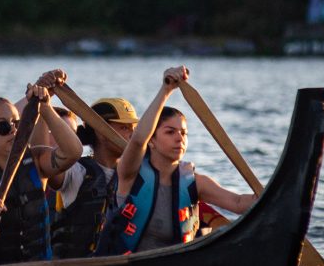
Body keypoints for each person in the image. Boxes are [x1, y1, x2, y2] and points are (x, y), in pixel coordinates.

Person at [97, 66, 257, 255]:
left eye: (183, 133)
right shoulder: (130, 172)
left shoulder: (196, 183)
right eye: (170, 132)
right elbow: (138, 139)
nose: (179, 138)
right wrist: (166, 91)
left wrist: (284, 191)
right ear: (153, 140)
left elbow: (238, 203)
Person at [0, 71, 83, 265]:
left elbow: (73, 152)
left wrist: (45, 108)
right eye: (3, 127)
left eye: (17, 124)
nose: (13, 131)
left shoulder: (36, 159)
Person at [48, 98, 138, 258]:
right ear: (100, 132)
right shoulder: (76, 172)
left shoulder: (138, 174)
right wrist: (44, 106)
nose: (132, 135)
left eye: (133, 128)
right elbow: (48, 169)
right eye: (124, 128)